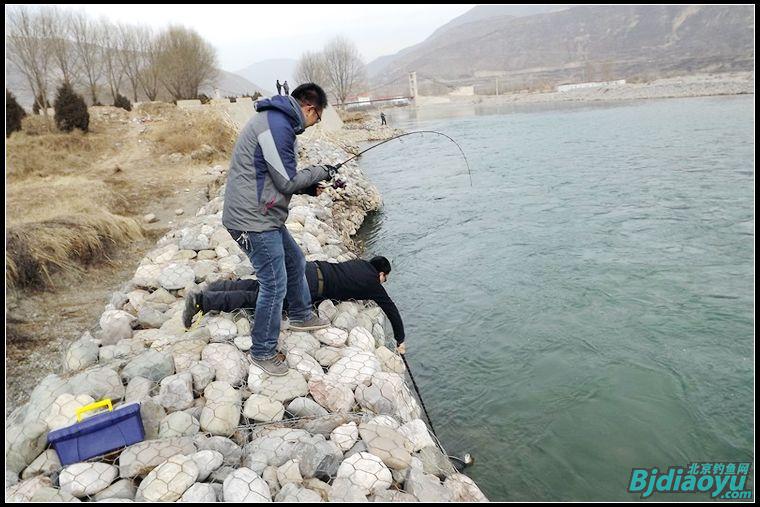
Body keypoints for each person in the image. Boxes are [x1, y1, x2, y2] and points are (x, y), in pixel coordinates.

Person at [220, 82, 336, 376]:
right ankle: (262, 350)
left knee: (294, 260)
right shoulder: (277, 125)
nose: (314, 124)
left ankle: (299, 314)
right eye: (317, 118)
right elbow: (286, 181)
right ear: (310, 108)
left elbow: (274, 176)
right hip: (252, 219)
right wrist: (321, 170)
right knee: (274, 283)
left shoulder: (276, 120)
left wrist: (310, 188)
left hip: (262, 214)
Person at [184, 256, 407, 354]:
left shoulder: (358, 264)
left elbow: (350, 282)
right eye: (385, 278)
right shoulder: (373, 283)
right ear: (381, 274)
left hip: (307, 268)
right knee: (260, 300)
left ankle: (215, 287)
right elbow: (391, 310)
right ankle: (202, 301)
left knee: (258, 287)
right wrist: (400, 340)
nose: (383, 283)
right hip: (309, 286)